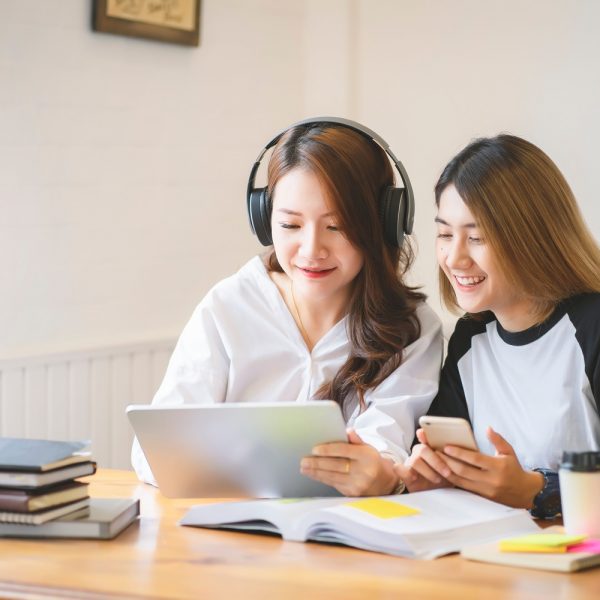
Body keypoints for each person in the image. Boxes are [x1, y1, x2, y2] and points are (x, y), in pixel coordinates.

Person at [132, 118, 443, 496]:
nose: (312, 250)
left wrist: (381, 473)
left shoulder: (412, 327)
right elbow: (155, 453)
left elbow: (385, 447)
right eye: (291, 226)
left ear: (382, 223)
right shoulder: (228, 307)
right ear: (265, 221)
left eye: (337, 226)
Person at [396, 134, 600, 517]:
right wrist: (437, 479)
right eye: (444, 234)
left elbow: (530, 495)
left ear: (532, 236)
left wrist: (539, 490)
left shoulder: (591, 327)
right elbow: (449, 469)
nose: (454, 257)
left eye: (477, 237)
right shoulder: (470, 340)